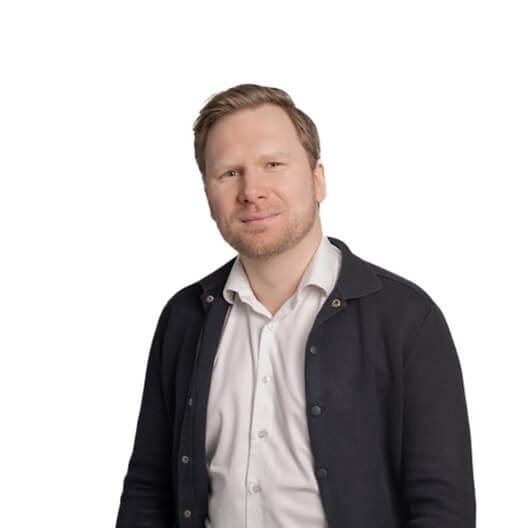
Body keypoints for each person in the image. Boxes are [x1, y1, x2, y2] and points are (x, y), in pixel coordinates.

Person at [115, 83, 476, 528]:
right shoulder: (184, 318)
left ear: (318, 178)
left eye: (273, 164)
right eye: (229, 173)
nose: (251, 191)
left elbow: (444, 510)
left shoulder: (406, 319)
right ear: (208, 194)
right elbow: (149, 490)